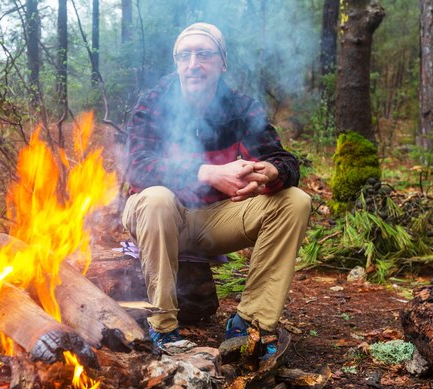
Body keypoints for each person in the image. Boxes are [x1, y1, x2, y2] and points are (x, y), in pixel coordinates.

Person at [122, 22, 311, 351]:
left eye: (204, 54)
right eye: (185, 55)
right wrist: (205, 172)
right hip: (162, 216)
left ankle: (251, 325)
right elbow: (137, 165)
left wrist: (269, 171)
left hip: (215, 219)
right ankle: (163, 326)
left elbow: (285, 162)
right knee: (156, 199)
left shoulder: (240, 107)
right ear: (177, 62)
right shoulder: (154, 102)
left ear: (222, 62)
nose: (193, 64)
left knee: (295, 201)